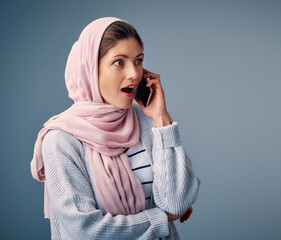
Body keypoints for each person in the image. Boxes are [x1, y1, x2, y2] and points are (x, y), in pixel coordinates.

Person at [30, 16, 200, 240]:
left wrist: (161, 118)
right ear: (91, 69)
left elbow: (177, 201)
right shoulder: (61, 140)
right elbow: (86, 230)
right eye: (120, 62)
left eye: (138, 61)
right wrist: (160, 218)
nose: (134, 74)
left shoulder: (147, 121)